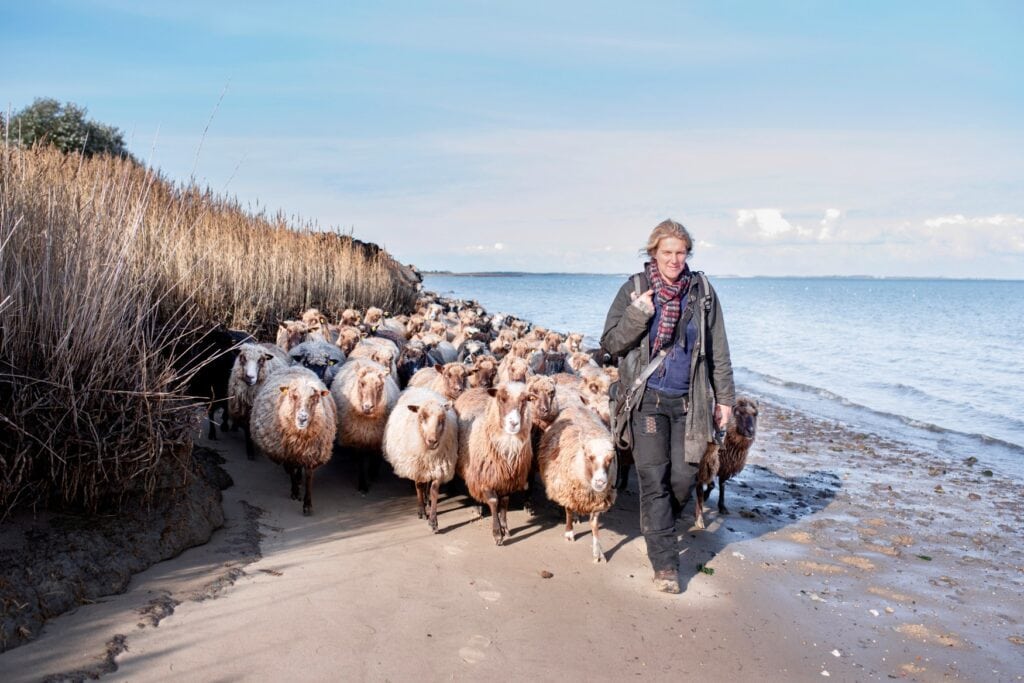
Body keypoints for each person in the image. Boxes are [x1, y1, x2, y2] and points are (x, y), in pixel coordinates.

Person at [600, 219, 735, 593]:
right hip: (646, 400)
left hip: (690, 403)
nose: (675, 259)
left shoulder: (702, 293)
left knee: (683, 478)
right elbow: (611, 343)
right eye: (667, 252)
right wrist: (638, 314)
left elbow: (719, 350)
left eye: (681, 252)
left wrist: (724, 399)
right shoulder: (635, 289)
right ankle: (665, 564)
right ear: (653, 253)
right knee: (652, 479)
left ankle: (657, 529)